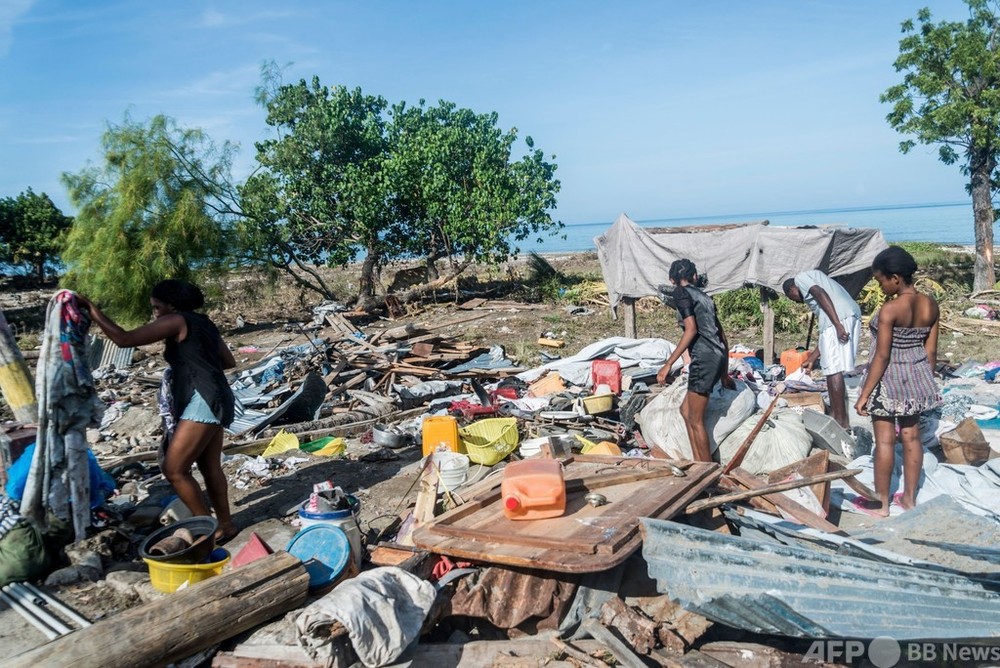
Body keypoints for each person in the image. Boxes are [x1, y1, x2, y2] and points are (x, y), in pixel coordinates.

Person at [78, 280, 238, 542]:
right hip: (217, 395)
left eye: (156, 307)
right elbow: (228, 360)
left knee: (174, 469)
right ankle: (226, 525)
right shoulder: (204, 322)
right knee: (210, 468)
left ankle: (208, 527)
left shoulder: (176, 320)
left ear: (171, 306)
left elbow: (124, 339)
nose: (155, 313)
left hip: (202, 399)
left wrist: (92, 309)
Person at [853, 246, 941, 516]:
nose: (881, 287)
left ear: (895, 277)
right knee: (912, 438)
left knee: (885, 442)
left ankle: (881, 503)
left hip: (888, 380)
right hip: (917, 378)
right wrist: (923, 379)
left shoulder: (890, 310)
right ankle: (909, 499)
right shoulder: (930, 304)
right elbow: (932, 352)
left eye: (881, 280)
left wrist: (865, 394)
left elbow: (882, 356)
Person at [656, 259, 734, 462]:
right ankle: (698, 463)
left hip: (705, 357)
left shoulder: (681, 293)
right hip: (715, 355)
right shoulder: (705, 297)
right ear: (695, 277)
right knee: (685, 411)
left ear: (672, 280)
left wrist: (668, 364)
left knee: (696, 419)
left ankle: (707, 470)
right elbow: (722, 335)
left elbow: (691, 329)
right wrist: (724, 373)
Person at [782, 270, 862, 429]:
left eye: (794, 299)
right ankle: (837, 414)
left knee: (833, 369)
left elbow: (819, 292)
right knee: (833, 365)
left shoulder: (801, 278)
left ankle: (840, 420)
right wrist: (811, 358)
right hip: (849, 314)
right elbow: (827, 337)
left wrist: (837, 324)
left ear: (792, 289)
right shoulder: (821, 281)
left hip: (839, 318)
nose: (800, 302)